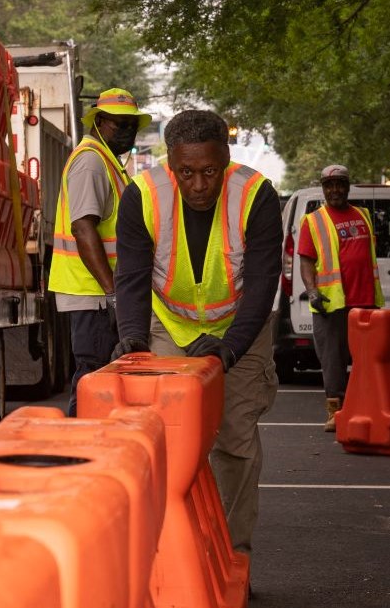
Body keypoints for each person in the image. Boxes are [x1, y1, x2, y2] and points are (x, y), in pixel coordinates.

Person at [113, 109, 283, 554]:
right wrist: (132, 338)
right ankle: (173, 553)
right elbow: (131, 276)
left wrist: (230, 349)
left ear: (226, 158)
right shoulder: (143, 194)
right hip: (172, 326)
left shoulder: (256, 195)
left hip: (239, 328)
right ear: (171, 163)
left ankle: (231, 554)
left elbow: (264, 283)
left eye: (210, 171)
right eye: (186, 172)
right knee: (169, 439)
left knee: (235, 440)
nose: (199, 185)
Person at [49, 88, 151, 415]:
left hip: (101, 295)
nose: (127, 132)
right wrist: (113, 292)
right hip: (94, 295)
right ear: (100, 122)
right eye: (120, 125)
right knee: (93, 379)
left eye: (132, 125)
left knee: (101, 382)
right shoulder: (91, 161)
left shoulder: (108, 162)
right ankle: (79, 454)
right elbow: (83, 228)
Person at [297, 164, 382, 431]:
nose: (334, 190)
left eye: (339, 184)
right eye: (329, 185)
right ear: (323, 189)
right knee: (332, 359)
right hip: (331, 302)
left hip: (366, 300)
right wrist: (312, 292)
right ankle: (335, 411)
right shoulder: (314, 220)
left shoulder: (363, 215)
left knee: (366, 359)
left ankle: (363, 408)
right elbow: (306, 261)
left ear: (348, 186)